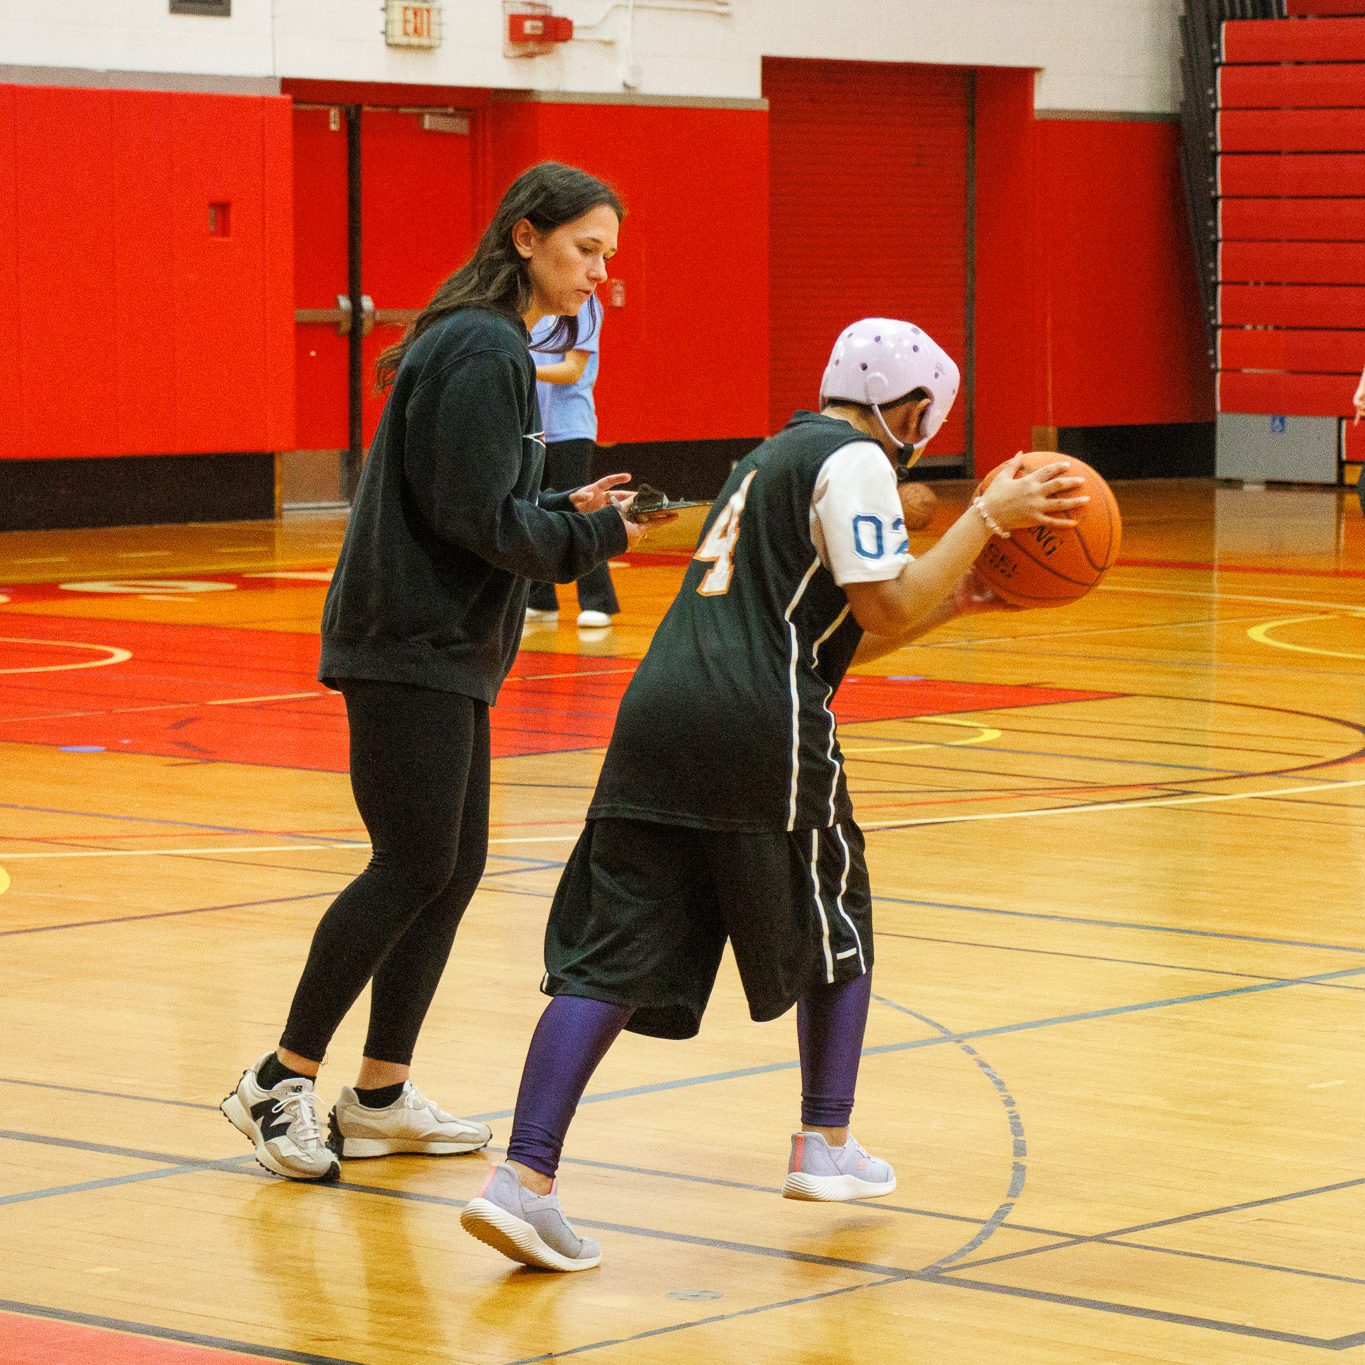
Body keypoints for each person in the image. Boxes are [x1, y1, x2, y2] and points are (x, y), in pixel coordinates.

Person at [459, 317, 1087, 1270]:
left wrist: (953, 596)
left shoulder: (769, 459)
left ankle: (522, 1180)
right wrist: (986, 519)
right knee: (840, 913)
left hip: (656, 714)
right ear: (915, 412)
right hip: (758, 722)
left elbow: (843, 630)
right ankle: (824, 1141)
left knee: (610, 955)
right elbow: (880, 603)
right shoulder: (857, 462)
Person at [221, 161, 652, 1182]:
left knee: (450, 869)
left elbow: (483, 502)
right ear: (525, 238)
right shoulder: (483, 347)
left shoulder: (491, 346)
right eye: (586, 250)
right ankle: (276, 1081)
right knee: (411, 863)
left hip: (444, 647)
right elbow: (476, 522)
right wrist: (596, 539)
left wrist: (570, 512)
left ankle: (377, 1094)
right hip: (407, 643)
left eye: (607, 257)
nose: (599, 274)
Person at [525, 296, 621, 629]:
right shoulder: (532, 302)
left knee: (580, 509)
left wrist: (519, 367)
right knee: (533, 508)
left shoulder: (586, 306)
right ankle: (539, 597)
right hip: (532, 427)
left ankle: (599, 601)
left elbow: (573, 369)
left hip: (571, 427)